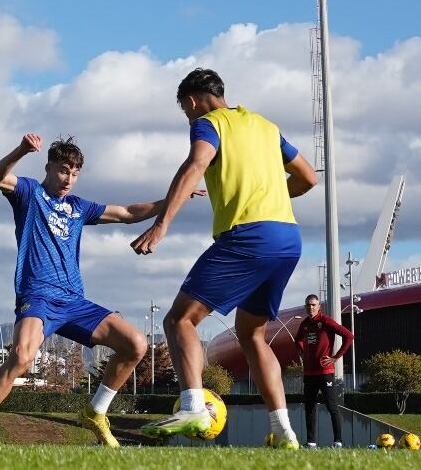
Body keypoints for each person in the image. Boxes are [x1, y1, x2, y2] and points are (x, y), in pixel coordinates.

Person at [0, 134, 189, 447]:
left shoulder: (79, 207)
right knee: (22, 356)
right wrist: (21, 150)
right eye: (63, 170)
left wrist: (175, 198)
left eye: (74, 173)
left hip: (73, 301)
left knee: (135, 344)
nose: (68, 179)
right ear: (49, 166)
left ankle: (95, 412)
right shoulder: (30, 193)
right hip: (38, 296)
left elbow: (127, 213)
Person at [132, 69, 319, 447]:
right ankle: (283, 431)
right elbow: (308, 178)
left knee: (180, 319)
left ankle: (193, 406)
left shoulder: (208, 123)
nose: (188, 115)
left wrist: (162, 224)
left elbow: (195, 165)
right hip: (287, 238)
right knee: (251, 333)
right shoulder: (266, 126)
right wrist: (273, 198)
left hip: (248, 236)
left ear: (192, 101)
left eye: (186, 110)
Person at [292, 293, 353, 448]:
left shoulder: (326, 321)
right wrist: (301, 351)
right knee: (309, 408)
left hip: (325, 373)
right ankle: (311, 442)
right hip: (309, 373)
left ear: (319, 306)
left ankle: (338, 442)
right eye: (308, 305)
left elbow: (349, 336)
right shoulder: (305, 324)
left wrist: (336, 357)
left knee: (332, 406)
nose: (310, 307)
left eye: (313, 305)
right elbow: (297, 339)